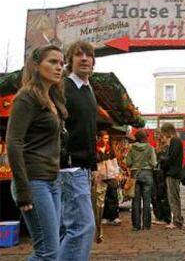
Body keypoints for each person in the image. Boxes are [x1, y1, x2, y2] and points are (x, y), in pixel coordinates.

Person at [6, 45, 67, 260]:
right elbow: (13, 143)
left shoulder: (52, 99)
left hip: (52, 181)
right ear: (36, 65)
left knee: (54, 245)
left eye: (61, 63)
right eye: (52, 62)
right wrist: (23, 190)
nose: (59, 67)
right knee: (48, 252)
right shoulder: (26, 97)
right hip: (34, 181)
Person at [59, 41, 97, 260]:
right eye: (78, 55)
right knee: (83, 227)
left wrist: (94, 166)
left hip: (82, 168)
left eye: (88, 55)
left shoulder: (88, 90)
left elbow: (88, 131)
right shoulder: (64, 88)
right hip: (70, 168)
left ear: (93, 62)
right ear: (70, 61)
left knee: (68, 229)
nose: (84, 58)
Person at [126, 130, 157, 231]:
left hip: (135, 174)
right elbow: (153, 163)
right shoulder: (150, 148)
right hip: (147, 174)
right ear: (144, 138)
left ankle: (136, 225)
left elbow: (128, 162)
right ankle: (146, 225)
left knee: (135, 200)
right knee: (147, 200)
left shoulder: (131, 148)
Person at [160, 122, 184, 229]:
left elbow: (171, 158)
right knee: (175, 197)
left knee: (173, 198)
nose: (163, 136)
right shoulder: (177, 141)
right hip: (175, 173)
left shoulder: (175, 141)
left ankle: (176, 221)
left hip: (173, 173)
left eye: (164, 133)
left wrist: (162, 161)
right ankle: (178, 219)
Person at [96, 131, 121, 227]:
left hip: (111, 176)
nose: (106, 140)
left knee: (113, 197)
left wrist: (117, 174)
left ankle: (114, 217)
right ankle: (105, 217)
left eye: (107, 138)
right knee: (103, 198)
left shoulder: (110, 150)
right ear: (100, 138)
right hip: (101, 177)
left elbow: (115, 163)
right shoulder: (96, 150)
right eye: (104, 138)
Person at [152, 130, 172, 225]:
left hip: (162, 173)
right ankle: (159, 216)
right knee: (157, 196)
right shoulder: (158, 148)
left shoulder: (167, 148)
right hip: (156, 173)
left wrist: (159, 158)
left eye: (159, 137)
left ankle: (166, 217)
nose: (158, 140)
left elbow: (166, 160)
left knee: (163, 195)